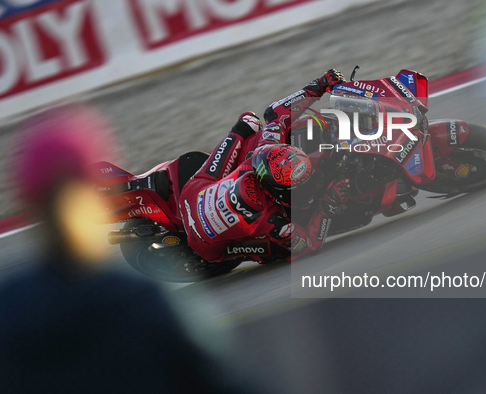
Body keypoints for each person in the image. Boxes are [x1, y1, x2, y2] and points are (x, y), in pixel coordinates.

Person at [0, 106, 259, 394]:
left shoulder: (9, 307)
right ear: (89, 190)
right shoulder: (138, 298)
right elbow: (218, 379)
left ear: (30, 201)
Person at [180, 69, 351, 263]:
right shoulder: (275, 221)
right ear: (277, 192)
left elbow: (275, 113)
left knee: (249, 121)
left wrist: (319, 86)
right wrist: (328, 204)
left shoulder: (267, 148)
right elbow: (309, 244)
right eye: (298, 188)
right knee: (287, 251)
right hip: (206, 247)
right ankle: (242, 255)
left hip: (193, 192)